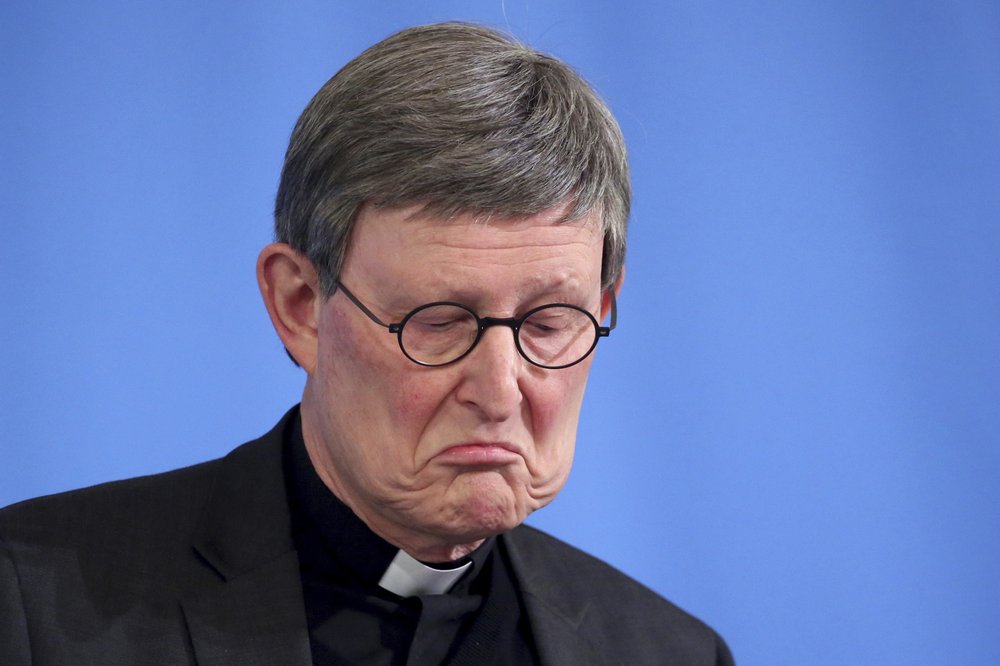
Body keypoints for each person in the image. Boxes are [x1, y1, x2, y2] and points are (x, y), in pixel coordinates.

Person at [0, 22, 733, 665]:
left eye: (548, 322)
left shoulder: (669, 651)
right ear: (300, 307)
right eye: (439, 321)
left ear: (603, 307)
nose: (501, 387)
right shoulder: (29, 606)